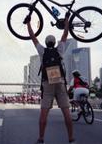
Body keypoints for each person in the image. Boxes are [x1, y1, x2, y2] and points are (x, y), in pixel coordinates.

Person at [26, 12, 74, 144]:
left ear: (46, 43)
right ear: (54, 42)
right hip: (60, 82)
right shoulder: (60, 49)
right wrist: (67, 20)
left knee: (43, 114)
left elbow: (33, 37)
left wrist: (28, 23)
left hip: (47, 83)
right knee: (66, 113)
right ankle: (71, 139)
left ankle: (41, 139)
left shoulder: (42, 51)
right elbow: (65, 34)